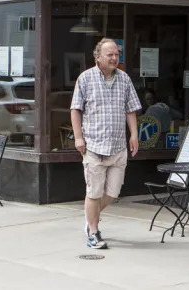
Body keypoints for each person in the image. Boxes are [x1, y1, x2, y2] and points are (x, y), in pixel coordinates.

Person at [71, 38, 141, 250]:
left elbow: (130, 109)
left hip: (118, 146)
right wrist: (78, 137)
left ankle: (90, 217)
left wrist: (134, 135)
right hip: (93, 146)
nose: (114, 58)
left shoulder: (124, 79)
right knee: (93, 193)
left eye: (116, 54)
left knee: (113, 192)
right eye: (109, 54)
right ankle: (93, 231)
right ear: (98, 56)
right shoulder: (85, 79)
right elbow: (76, 109)